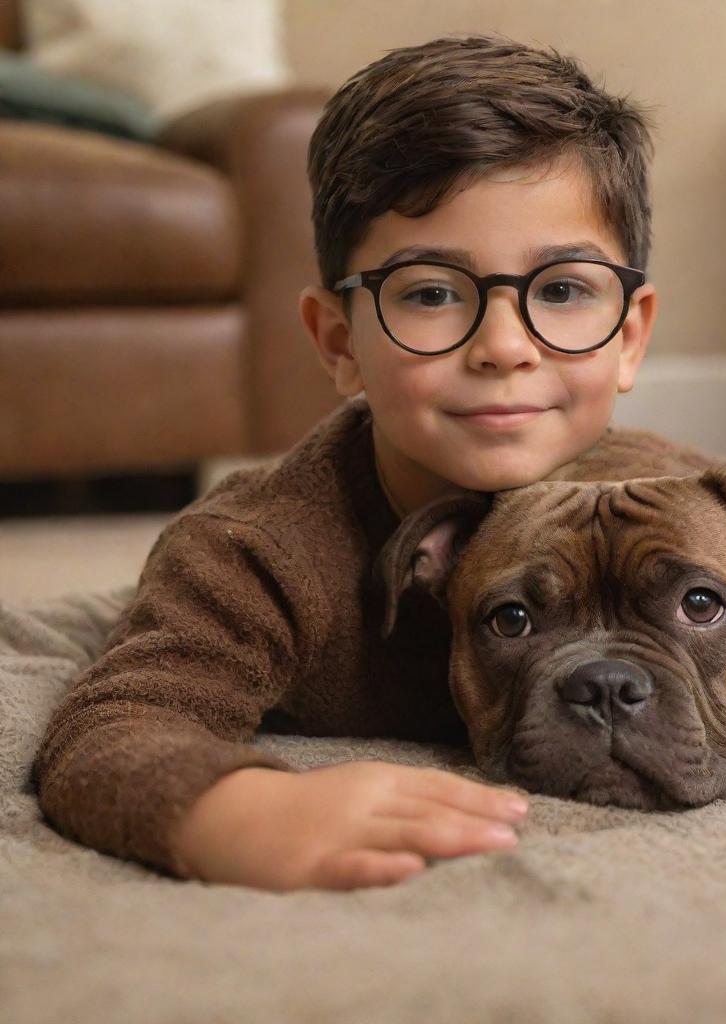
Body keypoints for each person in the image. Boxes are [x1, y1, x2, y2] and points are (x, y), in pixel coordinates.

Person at [30, 34, 663, 893]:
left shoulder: (660, 501)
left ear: (629, 338)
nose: (505, 347)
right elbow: (114, 729)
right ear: (339, 343)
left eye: (561, 290)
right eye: (433, 293)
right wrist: (239, 812)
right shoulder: (259, 553)